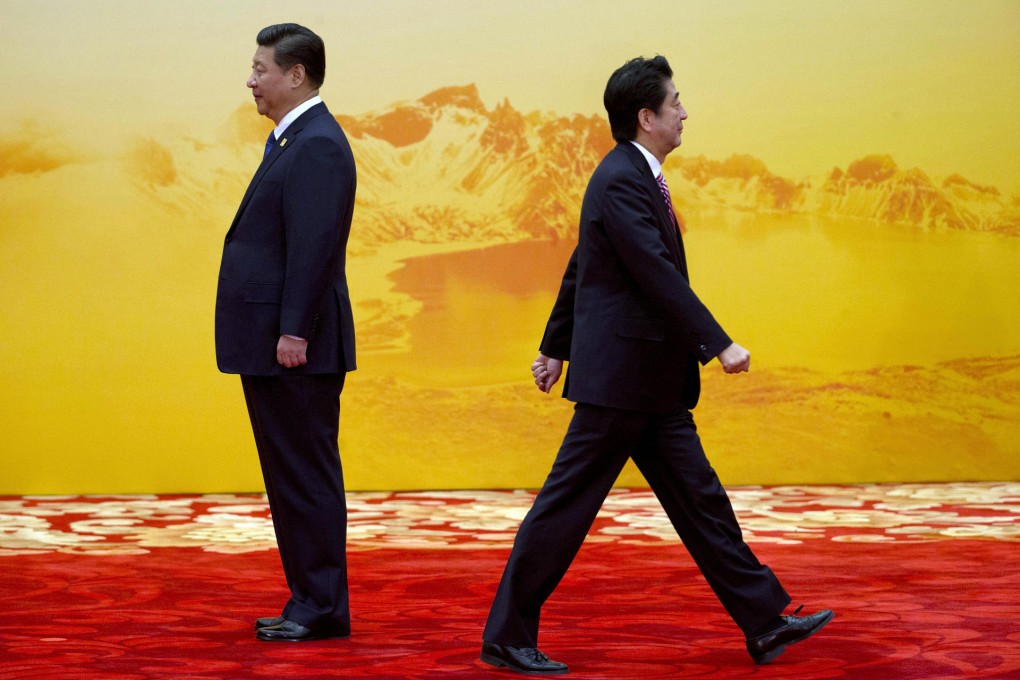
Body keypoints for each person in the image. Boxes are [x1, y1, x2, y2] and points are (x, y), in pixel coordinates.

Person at [480, 56, 833, 674]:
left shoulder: (633, 177)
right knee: (563, 511)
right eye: (675, 103)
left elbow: (581, 266)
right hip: (621, 384)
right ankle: (507, 636)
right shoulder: (620, 178)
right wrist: (719, 343)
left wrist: (553, 347)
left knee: (703, 503)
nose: (684, 112)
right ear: (646, 117)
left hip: (650, 385)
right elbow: (653, 272)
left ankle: (764, 623)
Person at [215, 23, 357, 642]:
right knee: (291, 477)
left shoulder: (318, 144)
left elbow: (313, 248)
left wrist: (294, 331)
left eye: (259, 69)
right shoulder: (291, 140)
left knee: (305, 476)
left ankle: (320, 607)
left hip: (296, 348)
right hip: (278, 344)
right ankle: (308, 599)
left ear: (295, 75)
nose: (250, 80)